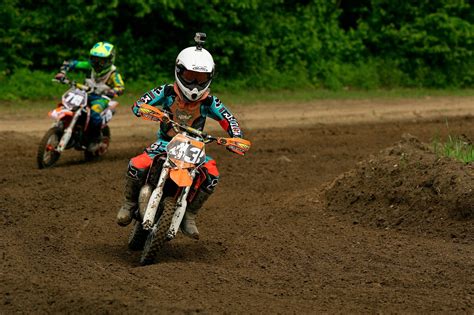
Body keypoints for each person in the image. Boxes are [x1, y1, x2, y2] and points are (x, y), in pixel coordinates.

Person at [116, 33, 245, 240]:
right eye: (190, 76)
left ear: (210, 77)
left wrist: (235, 137)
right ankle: (130, 203)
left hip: (194, 148)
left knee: (212, 175)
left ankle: (190, 214)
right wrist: (145, 109)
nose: (194, 83)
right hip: (165, 143)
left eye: (200, 78)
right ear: (178, 72)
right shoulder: (167, 91)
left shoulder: (209, 102)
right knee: (136, 164)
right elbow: (140, 102)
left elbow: (228, 119)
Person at [54, 41, 125, 151]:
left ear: (110, 59)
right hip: (84, 94)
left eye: (101, 60)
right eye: (94, 59)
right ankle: (62, 127)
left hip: (101, 98)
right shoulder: (88, 66)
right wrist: (62, 73)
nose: (97, 63)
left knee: (94, 114)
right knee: (68, 105)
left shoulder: (113, 74)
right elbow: (70, 63)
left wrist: (113, 91)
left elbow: (120, 87)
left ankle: (95, 139)